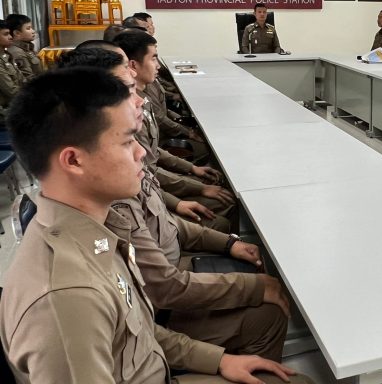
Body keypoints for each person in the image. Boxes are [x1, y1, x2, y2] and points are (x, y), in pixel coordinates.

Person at [0, 67, 306, 384]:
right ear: (74, 161)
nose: (142, 152)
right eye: (126, 142)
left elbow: (139, 331)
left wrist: (218, 360)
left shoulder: (94, 232)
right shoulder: (68, 299)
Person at [56, 48, 293, 366]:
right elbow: (160, 296)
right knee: (267, 311)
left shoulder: (115, 162)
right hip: (162, 319)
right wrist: (219, 358)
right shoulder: (107, 195)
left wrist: (228, 243)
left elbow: (162, 219)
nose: (139, 98)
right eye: (126, 89)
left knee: (227, 228)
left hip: (162, 295)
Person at [114, 32, 236, 231]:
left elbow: (152, 155)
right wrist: (194, 188)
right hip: (157, 196)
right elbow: (148, 172)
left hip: (158, 186)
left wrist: (192, 170)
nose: (158, 65)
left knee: (215, 180)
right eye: (153, 58)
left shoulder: (140, 100)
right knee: (224, 199)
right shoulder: (125, 117)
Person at [0, 19, 24, 125]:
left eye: (10, 33)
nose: (10, 37)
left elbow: (22, 80)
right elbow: (11, 91)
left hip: (15, 105)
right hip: (5, 113)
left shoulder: (7, 55)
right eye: (6, 34)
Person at [6, 13, 42, 80]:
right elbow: (28, 78)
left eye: (31, 28)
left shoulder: (27, 48)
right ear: (17, 33)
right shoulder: (17, 52)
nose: (33, 31)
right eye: (28, 28)